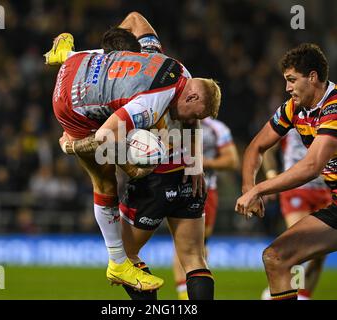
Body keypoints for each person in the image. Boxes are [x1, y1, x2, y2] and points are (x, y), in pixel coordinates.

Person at [45, 12, 221, 297]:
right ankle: (66, 53)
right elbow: (138, 20)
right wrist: (193, 161)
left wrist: (72, 147)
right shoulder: (163, 78)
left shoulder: (154, 78)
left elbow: (104, 139)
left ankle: (117, 263)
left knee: (124, 249)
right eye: (198, 112)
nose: (195, 119)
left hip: (155, 180)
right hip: (183, 174)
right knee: (194, 259)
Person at [235, 43, 337, 300]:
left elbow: (312, 166)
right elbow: (256, 148)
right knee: (276, 257)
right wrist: (249, 189)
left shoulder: (334, 107)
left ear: (312, 77)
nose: (287, 88)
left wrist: (260, 188)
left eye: (292, 80)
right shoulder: (293, 109)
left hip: (322, 193)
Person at [261, 128, 332, 300]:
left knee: (319, 254)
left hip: (327, 189)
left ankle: (304, 295)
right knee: (299, 244)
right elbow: (268, 148)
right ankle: (293, 292)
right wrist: (271, 175)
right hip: (297, 189)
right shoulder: (293, 114)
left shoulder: (331, 116)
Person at [174, 118, 239, 300]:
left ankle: (192, 291)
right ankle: (184, 296)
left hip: (205, 189)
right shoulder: (173, 121)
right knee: (183, 243)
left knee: (199, 245)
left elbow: (232, 161)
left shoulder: (217, 128)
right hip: (175, 186)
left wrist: (201, 163)